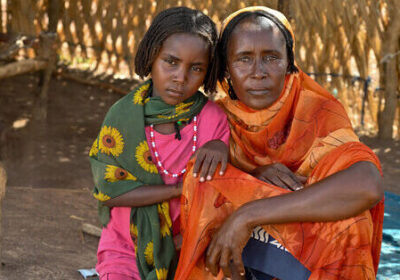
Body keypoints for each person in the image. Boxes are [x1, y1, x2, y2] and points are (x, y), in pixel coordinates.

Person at [174, 6, 384, 280]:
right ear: (226, 67)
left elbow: (366, 183)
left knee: (352, 222)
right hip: (247, 259)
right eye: (243, 59)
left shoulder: (318, 112)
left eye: (272, 57)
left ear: (289, 62)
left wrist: (248, 214)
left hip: (305, 252)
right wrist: (253, 177)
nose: (258, 72)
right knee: (204, 179)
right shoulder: (216, 119)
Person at [89, 7, 230, 280]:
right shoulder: (123, 118)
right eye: (171, 62)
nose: (181, 77)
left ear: (208, 71)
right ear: (152, 56)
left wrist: (221, 147)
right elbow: (111, 191)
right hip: (126, 248)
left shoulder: (212, 121)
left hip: (189, 249)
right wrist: (179, 189)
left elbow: (220, 198)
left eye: (196, 68)